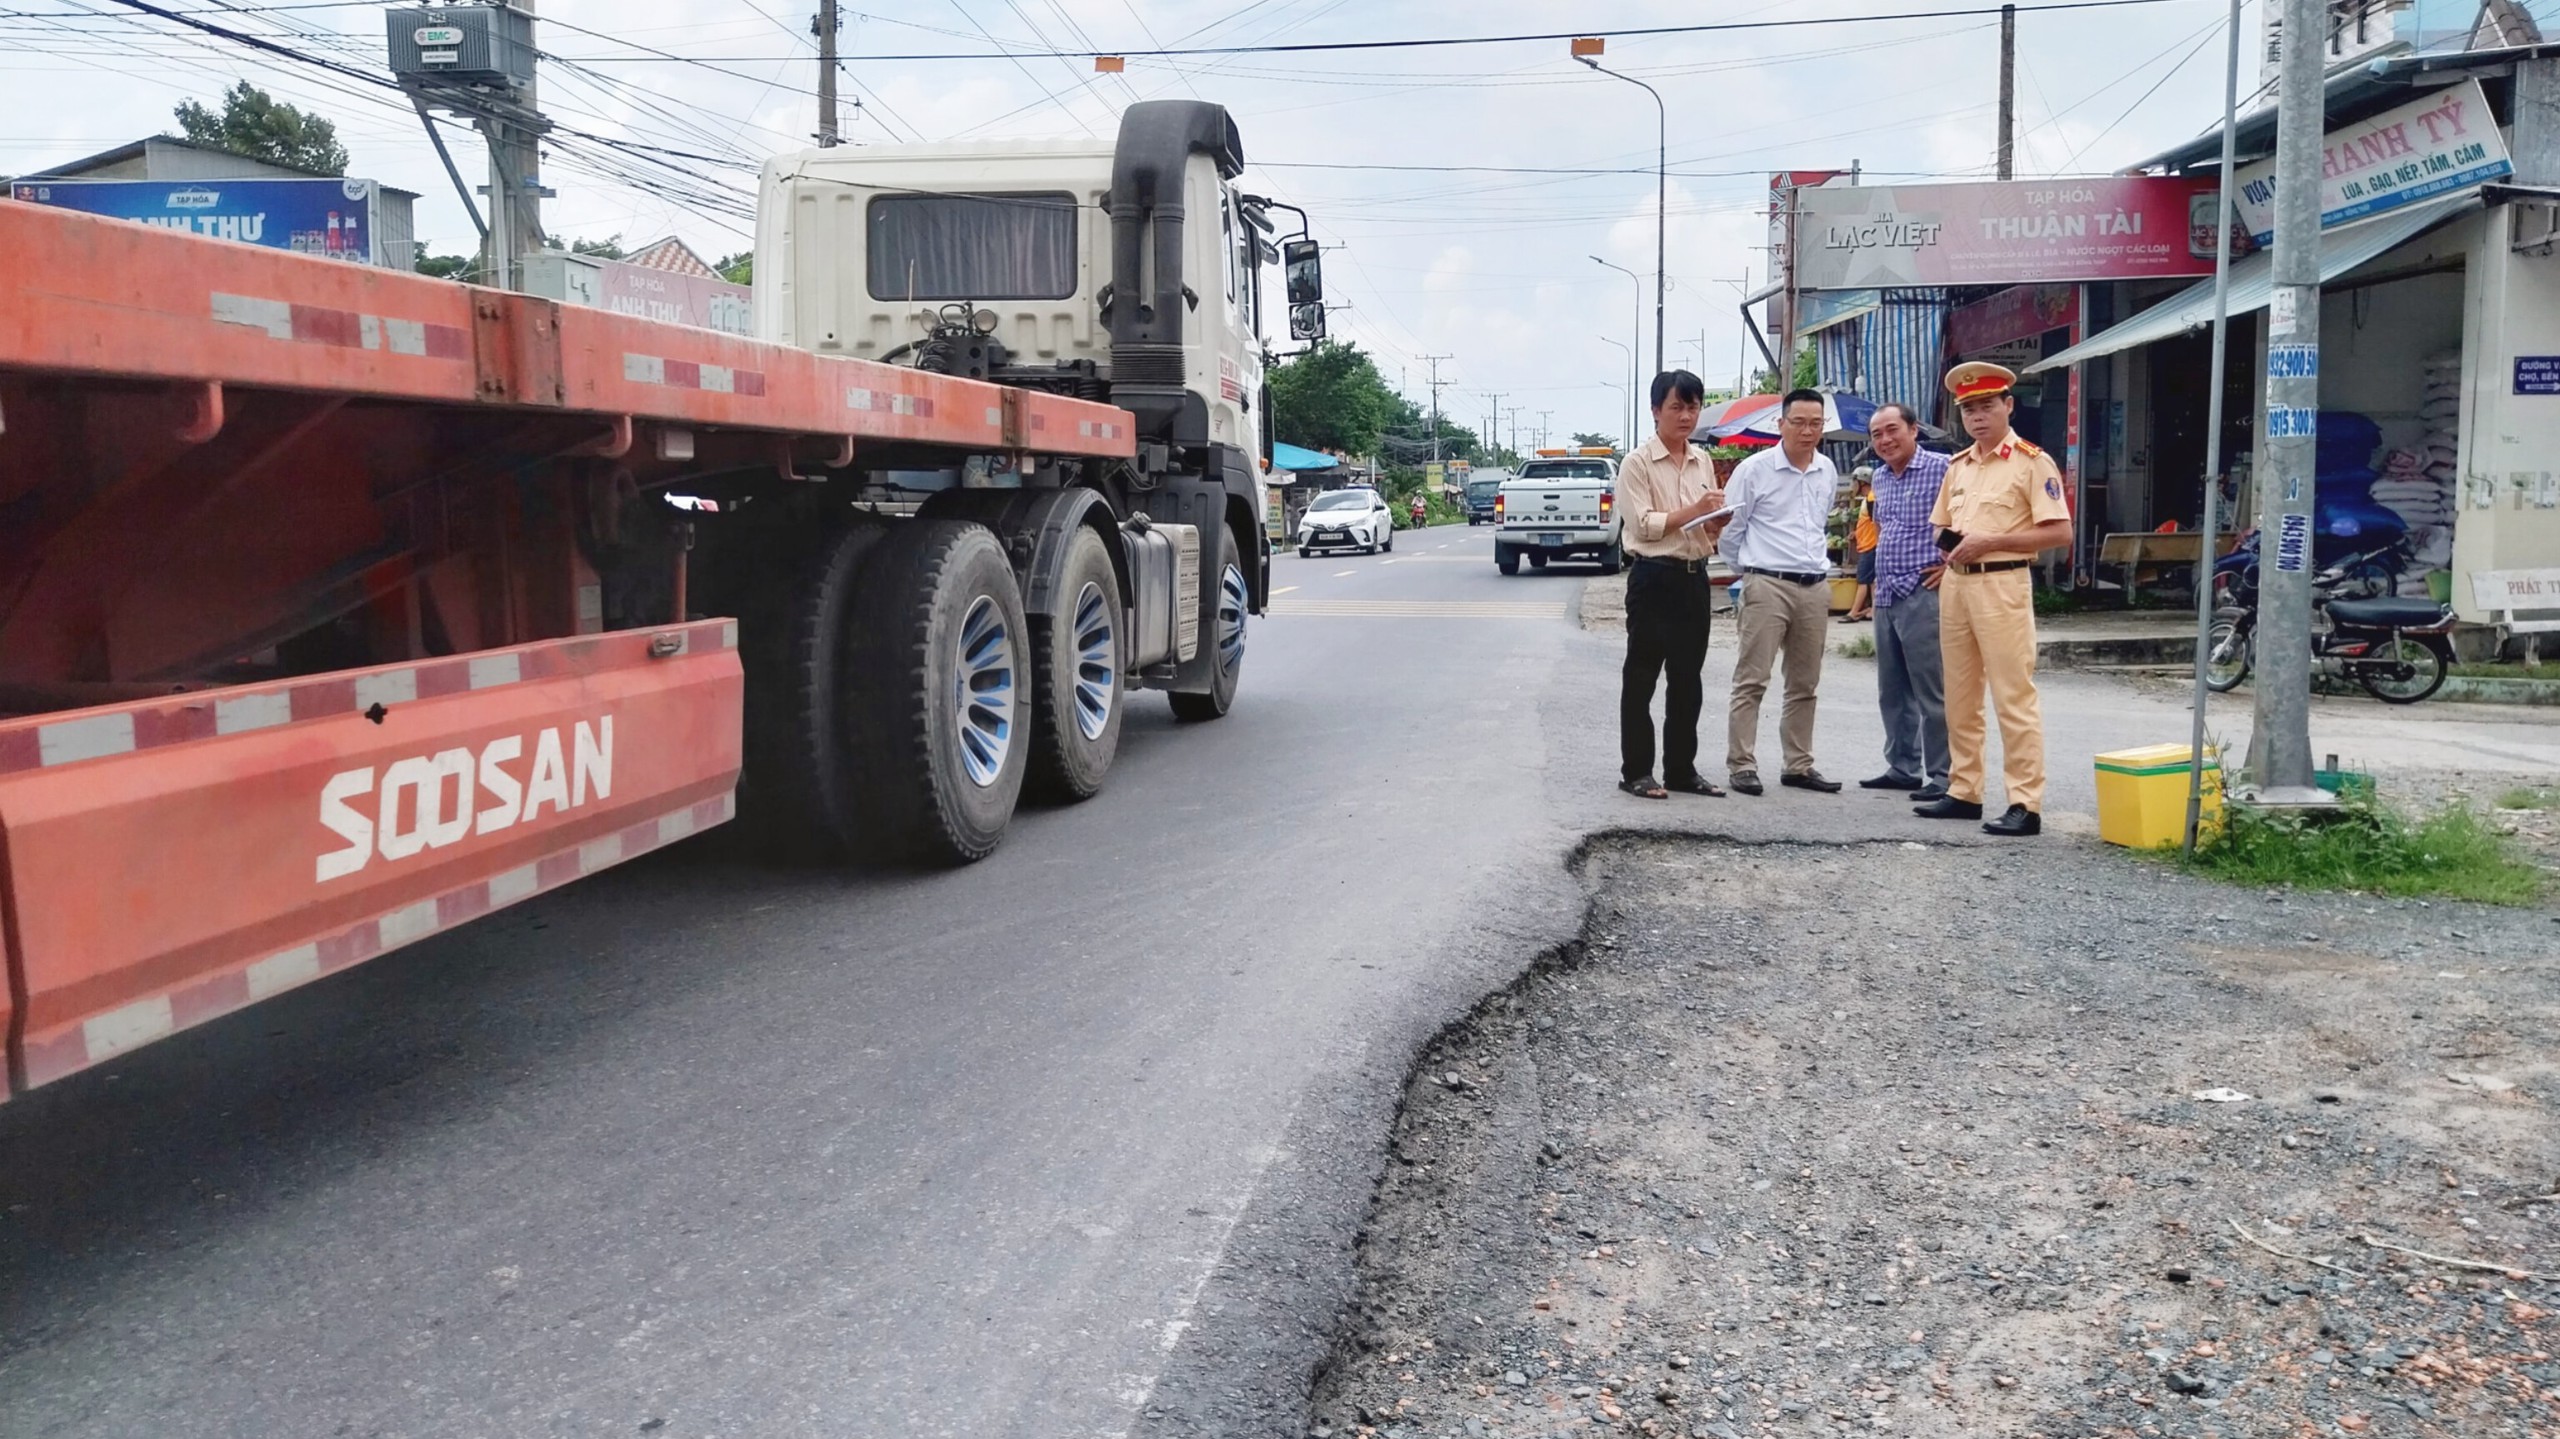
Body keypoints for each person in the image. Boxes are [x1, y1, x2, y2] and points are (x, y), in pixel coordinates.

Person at [1914, 362, 2073, 837]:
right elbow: (1940, 524)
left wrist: (1991, 542)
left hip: (2002, 583)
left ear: (2008, 405)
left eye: (1987, 406)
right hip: (1957, 582)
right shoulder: (1958, 466)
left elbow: (2060, 532)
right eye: (1969, 409)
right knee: (1960, 696)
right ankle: (1964, 791)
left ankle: (2025, 802)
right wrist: (1955, 543)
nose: (1978, 417)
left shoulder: (2031, 462)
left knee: (2013, 695)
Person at [1614, 370, 1731, 800]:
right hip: (1653, 577)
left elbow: (1705, 527)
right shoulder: (1637, 463)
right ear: (1656, 411)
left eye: (1693, 406)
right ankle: (1637, 771)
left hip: (1693, 578)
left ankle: (1681, 770)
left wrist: (1717, 520)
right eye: (1677, 407)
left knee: (1688, 680)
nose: (1686, 416)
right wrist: (1694, 509)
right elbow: (1643, 526)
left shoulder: (1702, 460)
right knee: (1642, 677)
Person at [1720, 388, 1842, 796]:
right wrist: (1752, 573)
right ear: (1781, 424)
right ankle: (1742, 764)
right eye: (1799, 422)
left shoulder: (1826, 469)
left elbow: (1818, 524)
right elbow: (1731, 532)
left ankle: (1798, 764)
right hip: (1767, 583)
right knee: (1752, 678)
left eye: (1816, 423)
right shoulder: (1754, 470)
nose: (1808, 431)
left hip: (1814, 586)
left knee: (1805, 683)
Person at [1858, 404, 1952, 800]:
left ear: (1914, 429)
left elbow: (1971, 518)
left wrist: (1951, 565)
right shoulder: (1880, 476)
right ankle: (1902, 766)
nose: (1885, 440)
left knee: (1932, 690)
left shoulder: (1944, 468)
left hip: (1924, 592)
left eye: (1892, 430)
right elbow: (1886, 531)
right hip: (1887, 594)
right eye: (1877, 434)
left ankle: (1945, 775)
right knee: (1892, 689)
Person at [1845, 471, 1878, 621]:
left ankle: (1853, 612)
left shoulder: (1871, 498)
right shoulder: (1867, 499)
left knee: (1863, 580)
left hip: (1871, 545)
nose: (1853, 485)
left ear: (1862, 482)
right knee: (1871, 581)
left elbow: (1876, 523)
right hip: (1867, 544)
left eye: (1855, 481)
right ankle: (1873, 611)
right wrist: (1857, 534)